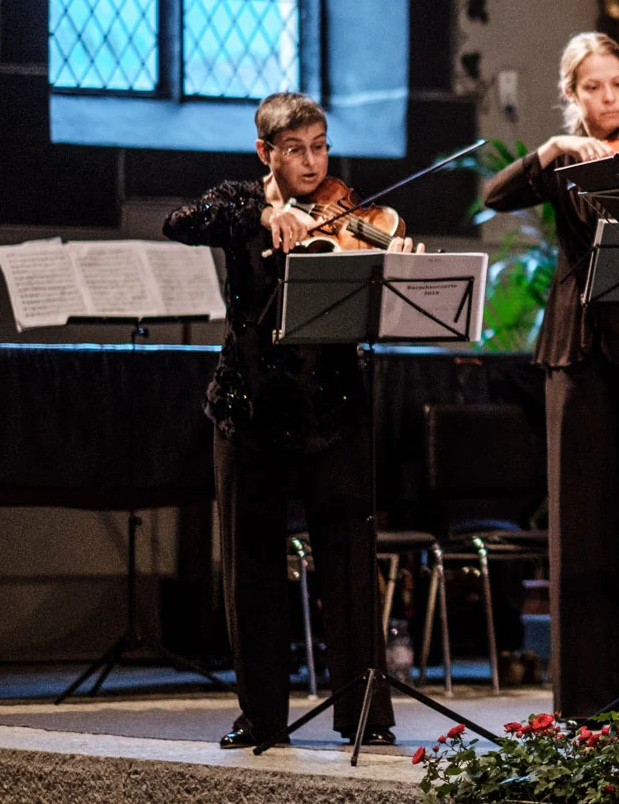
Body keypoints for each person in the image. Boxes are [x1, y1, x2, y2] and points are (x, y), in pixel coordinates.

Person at [164, 92, 419, 749]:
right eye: (296, 149)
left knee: (350, 557)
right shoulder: (237, 206)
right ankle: (262, 715)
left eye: (320, 146)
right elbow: (179, 220)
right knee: (252, 563)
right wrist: (266, 209)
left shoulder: (351, 215)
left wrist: (400, 268)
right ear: (265, 153)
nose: (312, 162)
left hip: (333, 403)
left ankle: (365, 711)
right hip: (250, 406)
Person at [482, 32, 619, 717]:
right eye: (594, 87)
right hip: (575, 344)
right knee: (578, 519)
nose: (610, 98)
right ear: (572, 94)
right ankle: (583, 692)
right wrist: (552, 151)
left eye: (618, 85)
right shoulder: (565, 161)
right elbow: (494, 193)